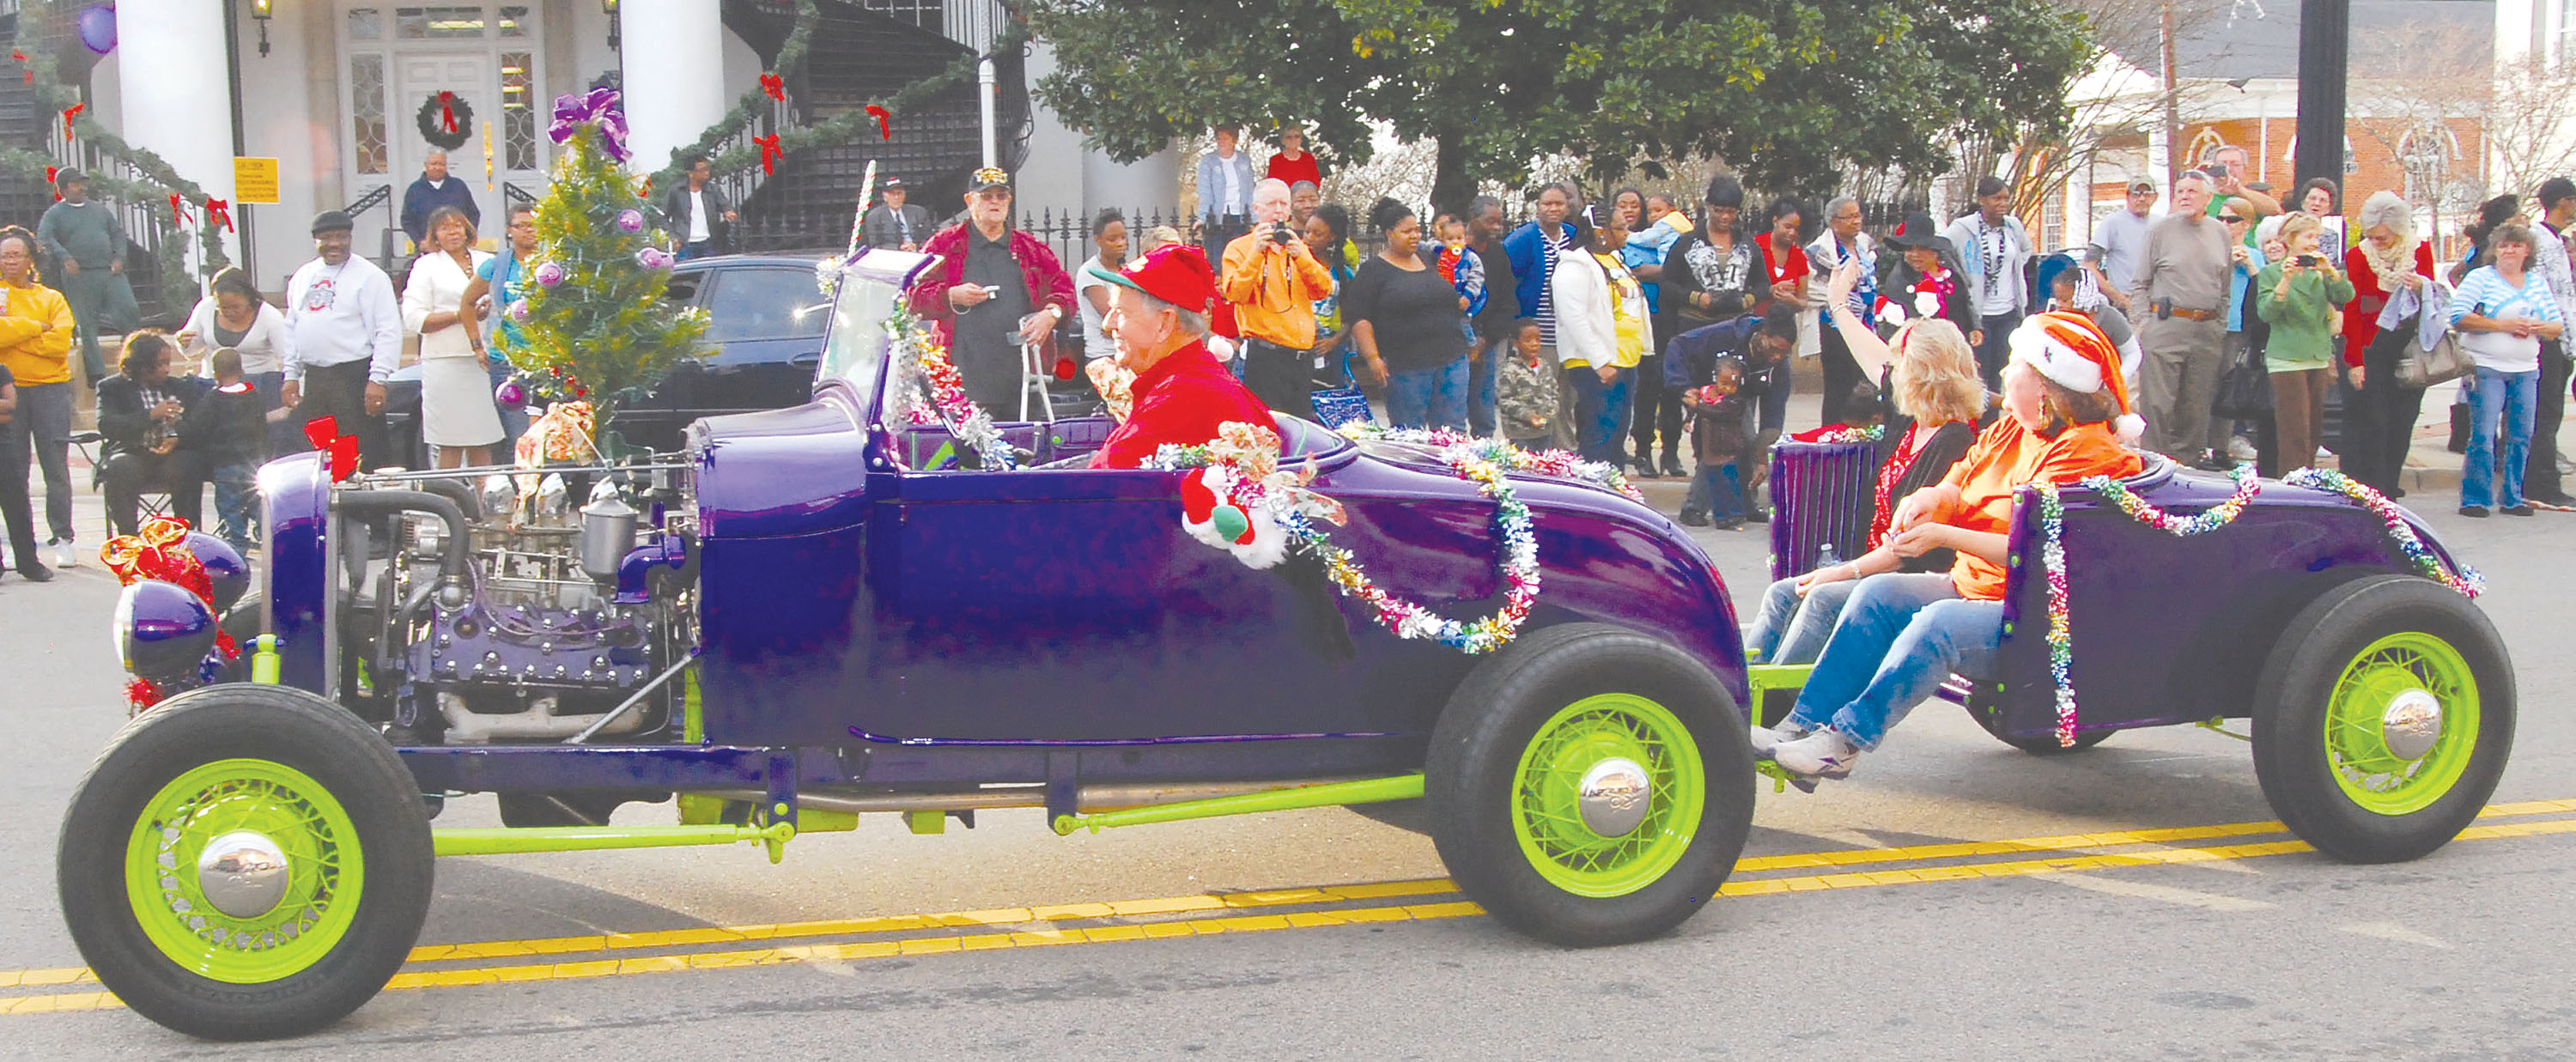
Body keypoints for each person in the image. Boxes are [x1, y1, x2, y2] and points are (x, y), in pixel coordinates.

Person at [1759, 313, 2144, 780]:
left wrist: (1945, 535)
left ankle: (1842, 743)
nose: (2002, 372)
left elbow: (2034, 549)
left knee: (1938, 624)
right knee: (1877, 594)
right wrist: (1933, 496)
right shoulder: (2012, 428)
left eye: (2014, 365)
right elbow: (1962, 475)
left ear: (2044, 386)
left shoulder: (2085, 450)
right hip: (1975, 584)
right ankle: (1798, 727)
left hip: (2033, 609)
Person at [1741, 292, 1986, 665]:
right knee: (1781, 593)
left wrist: (1844, 572)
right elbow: (1872, 359)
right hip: (1874, 562)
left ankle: (1779, 696)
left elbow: (1910, 550)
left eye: (1900, 363)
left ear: (1920, 374)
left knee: (1821, 595)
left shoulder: (1954, 439)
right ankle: (1745, 684)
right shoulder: (1909, 424)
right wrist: (1839, 304)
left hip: (1906, 571)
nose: (1892, 372)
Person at [1084, 243, 1276, 469]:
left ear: (1165, 323)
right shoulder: (1182, 381)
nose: (1108, 324)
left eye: (1121, 312)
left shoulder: (1185, 397)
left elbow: (1100, 478)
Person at [908, 168, 1078, 416]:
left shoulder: (1031, 248)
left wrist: (1050, 314)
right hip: (960, 377)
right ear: (969, 201)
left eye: (1001, 196)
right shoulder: (943, 245)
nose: (995, 202)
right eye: (986, 196)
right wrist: (950, 295)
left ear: (1009, 200)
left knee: (1024, 440)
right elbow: (912, 295)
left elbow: (1064, 290)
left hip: (1022, 379)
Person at [2450, 223, 2566, 518]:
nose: (2510, 251)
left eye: (2516, 245)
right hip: (2487, 367)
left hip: (2526, 369)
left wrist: (2537, 327)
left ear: (2527, 251)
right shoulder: (2480, 278)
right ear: (2495, 250)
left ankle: (2513, 497)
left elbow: (2556, 326)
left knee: (2521, 435)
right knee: (2483, 434)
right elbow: (2459, 316)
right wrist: (2503, 325)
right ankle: (2475, 498)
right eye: (2504, 245)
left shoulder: (2537, 283)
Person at [2337, 191, 2438, 498]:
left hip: (2405, 344)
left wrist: (2421, 285)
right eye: (2371, 236)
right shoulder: (2358, 256)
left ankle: (2389, 486)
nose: (2376, 243)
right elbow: (2352, 309)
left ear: (2399, 231)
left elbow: (2432, 296)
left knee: (2402, 419)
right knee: (2371, 419)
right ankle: (2364, 486)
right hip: (2368, 343)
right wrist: (2355, 361)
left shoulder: (2419, 251)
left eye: (2382, 238)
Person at [283, 210, 402, 470]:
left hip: (354, 378)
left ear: (350, 238)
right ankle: (328, 495)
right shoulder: (303, 276)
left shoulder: (370, 276)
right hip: (316, 380)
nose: (334, 244)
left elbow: (388, 331)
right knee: (320, 452)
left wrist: (378, 379)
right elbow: (292, 327)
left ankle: (356, 497)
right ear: (316, 241)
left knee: (356, 453)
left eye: (341, 237)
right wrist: (291, 374)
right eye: (327, 238)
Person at [2130, 169, 2233, 465]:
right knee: (2158, 403)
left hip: (2207, 329)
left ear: (2208, 198)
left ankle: (2189, 464)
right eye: (2181, 191)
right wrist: (2144, 324)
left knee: (2196, 404)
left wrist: (2219, 324)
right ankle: (2154, 464)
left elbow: (2224, 287)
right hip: (2166, 325)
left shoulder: (2220, 232)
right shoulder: (2160, 231)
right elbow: (2139, 283)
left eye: (2192, 191)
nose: (2185, 197)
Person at [1665, 304, 1801, 525]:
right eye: (1774, 349)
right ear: (1763, 335)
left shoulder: (1780, 366)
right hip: (1713, 394)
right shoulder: (1725, 334)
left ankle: (1747, 505)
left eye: (1784, 353)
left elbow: (1773, 415)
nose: (1777, 356)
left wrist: (1762, 459)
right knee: (1720, 449)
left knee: (1749, 443)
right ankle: (1694, 507)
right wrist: (1683, 386)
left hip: (1742, 397)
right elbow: (1678, 345)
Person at [1348, 199, 1473, 430]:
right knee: (1410, 433)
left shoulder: (1429, 258)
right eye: (1407, 231)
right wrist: (1373, 358)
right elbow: (1359, 318)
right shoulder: (1373, 270)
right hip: (1407, 367)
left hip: (1451, 359)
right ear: (1389, 234)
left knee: (1452, 431)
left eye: (1417, 230)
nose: (1415, 236)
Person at [1218, 179, 1334, 421]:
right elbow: (1235, 293)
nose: (1279, 210)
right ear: (1257, 209)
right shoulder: (1239, 248)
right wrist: (1256, 254)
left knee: (1303, 428)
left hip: (1302, 358)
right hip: (1266, 358)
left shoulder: (1299, 247)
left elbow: (1323, 290)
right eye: (1272, 204)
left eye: (1284, 204)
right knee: (1268, 427)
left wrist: (1302, 258)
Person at [2254, 213, 2354, 477]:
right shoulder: (2271, 273)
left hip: (2317, 355)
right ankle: (2291, 481)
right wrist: (2285, 280)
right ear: (2290, 239)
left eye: (2317, 237)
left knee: (2313, 430)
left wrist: (2330, 271)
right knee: (2294, 430)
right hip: (2287, 358)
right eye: (2308, 237)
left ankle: (2307, 478)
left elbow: (2347, 295)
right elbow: (2266, 313)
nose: (2314, 243)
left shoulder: (2320, 273)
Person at [0, 225, 76, 569]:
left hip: (50, 388)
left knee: (55, 466)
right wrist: (34, 328)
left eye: (16, 255)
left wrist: (16, 336)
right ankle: (18, 544)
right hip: (10, 392)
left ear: (31, 259)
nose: (10, 262)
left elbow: (59, 344)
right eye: (4, 256)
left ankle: (62, 537)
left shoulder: (51, 298)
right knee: (12, 472)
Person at [404, 207, 501, 469]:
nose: (453, 232)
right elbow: (414, 318)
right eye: (444, 228)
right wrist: (461, 315)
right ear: (434, 235)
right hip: (445, 362)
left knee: (482, 439)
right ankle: (446, 493)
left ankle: (486, 494)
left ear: (467, 229)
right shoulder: (426, 266)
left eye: (457, 226)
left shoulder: (487, 261)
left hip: (485, 360)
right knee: (451, 441)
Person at [1554, 206, 1649, 464]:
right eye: (1620, 228)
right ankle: (1594, 485)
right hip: (1595, 365)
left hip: (1626, 361)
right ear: (1600, 233)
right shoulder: (1574, 266)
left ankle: (1615, 485)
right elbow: (1575, 318)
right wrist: (1600, 363)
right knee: (1599, 435)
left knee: (1618, 435)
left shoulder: (1617, 261)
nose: (1627, 233)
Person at [96, 331, 208, 537]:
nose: (167, 369)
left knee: (189, 463)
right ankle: (128, 537)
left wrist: (177, 434)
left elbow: (198, 426)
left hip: (171, 455)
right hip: (133, 452)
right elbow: (107, 424)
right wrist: (151, 415)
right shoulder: (111, 388)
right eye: (160, 364)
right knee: (119, 466)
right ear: (142, 365)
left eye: (168, 363)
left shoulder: (179, 387)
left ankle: (186, 534)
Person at [174, 267, 295, 457]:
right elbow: (191, 350)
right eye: (223, 307)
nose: (229, 312)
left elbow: (289, 357)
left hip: (257, 386)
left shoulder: (270, 317)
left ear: (249, 299)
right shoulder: (205, 308)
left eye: (236, 307)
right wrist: (183, 342)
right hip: (213, 384)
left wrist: (294, 386)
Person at [1504, 183, 1585, 446]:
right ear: (1537, 207)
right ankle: (1532, 454)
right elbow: (1506, 282)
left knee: (1565, 399)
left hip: (1569, 334)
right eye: (1547, 203)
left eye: (1558, 203)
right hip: (1538, 335)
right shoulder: (1523, 239)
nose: (1553, 209)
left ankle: (1563, 453)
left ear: (1567, 207)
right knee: (1535, 396)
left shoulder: (1574, 237)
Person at [36, 167, 129, 384]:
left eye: (83, 183)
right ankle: (96, 373)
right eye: (76, 184)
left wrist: (120, 257)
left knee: (129, 310)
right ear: (63, 189)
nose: (82, 188)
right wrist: (65, 257)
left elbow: (118, 234)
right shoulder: (55, 213)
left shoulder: (99, 210)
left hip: (109, 271)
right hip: (80, 275)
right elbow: (44, 237)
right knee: (86, 323)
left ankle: (134, 360)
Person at [1622, 191, 1690, 476]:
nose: (1630, 211)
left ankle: (1671, 452)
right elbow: (1634, 270)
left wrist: (1663, 271)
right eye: (1622, 205)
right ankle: (1643, 451)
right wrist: (1666, 270)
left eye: (1635, 205)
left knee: (1673, 386)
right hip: (1641, 319)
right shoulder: (1625, 241)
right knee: (1646, 388)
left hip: (1671, 317)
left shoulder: (1672, 233)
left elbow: (1681, 270)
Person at [460, 203, 538, 451]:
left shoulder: (553, 265)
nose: (528, 230)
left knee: (547, 435)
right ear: (509, 230)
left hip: (545, 360)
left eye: (533, 225)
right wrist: (477, 346)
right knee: (519, 437)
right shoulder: (497, 265)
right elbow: (467, 302)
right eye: (520, 225)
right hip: (505, 361)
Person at [1945, 176, 2035, 386]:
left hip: (2008, 312)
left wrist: (2014, 267)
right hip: (1979, 316)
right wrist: (1962, 277)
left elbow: (2026, 249)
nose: (2003, 204)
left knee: (2002, 373)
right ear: (1982, 199)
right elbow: (1943, 250)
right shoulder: (1963, 228)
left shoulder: (2013, 226)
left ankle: (1996, 409)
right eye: (1996, 198)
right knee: (1979, 375)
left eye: (2006, 198)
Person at [2521, 177, 2576, 507]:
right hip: (2547, 338)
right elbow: (2542, 292)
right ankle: (2540, 481)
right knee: (2545, 411)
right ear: (2563, 202)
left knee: (2551, 412)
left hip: (2562, 338)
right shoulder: (2538, 240)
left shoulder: (2557, 241)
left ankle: (2541, 477)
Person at [1806, 196, 1877, 426]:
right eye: (1850, 217)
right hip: (1835, 327)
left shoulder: (1865, 244)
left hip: (1866, 325)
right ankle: (1833, 430)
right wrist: (1842, 296)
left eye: (1858, 216)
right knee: (1839, 385)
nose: (1857, 221)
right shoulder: (1820, 251)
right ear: (1834, 221)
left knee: (1864, 383)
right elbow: (1812, 289)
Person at [186, 347, 266, 550]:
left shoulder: (213, 399)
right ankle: (265, 534)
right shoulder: (253, 395)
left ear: (215, 374)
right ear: (241, 370)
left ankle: (236, 543)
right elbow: (262, 426)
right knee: (257, 501)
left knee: (230, 505)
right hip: (252, 462)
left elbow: (198, 427)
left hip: (225, 463)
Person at [1881, 211, 1981, 353]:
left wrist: (1974, 327)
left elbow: (1965, 302)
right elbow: (1907, 328)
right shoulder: (1899, 280)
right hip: (1924, 352)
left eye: (1922, 248)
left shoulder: (1949, 271)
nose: (1915, 254)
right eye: (1909, 248)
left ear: (1934, 251)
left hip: (1958, 347)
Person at [1465, 196, 1519, 439]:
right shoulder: (1455, 252)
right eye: (1490, 221)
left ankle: (1484, 448)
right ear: (1473, 219)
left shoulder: (1498, 253)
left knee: (1484, 410)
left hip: (1486, 340)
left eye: (1500, 222)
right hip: (1454, 340)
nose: (1496, 227)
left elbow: (1508, 300)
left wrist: (1487, 337)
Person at [1680, 355, 1753, 528]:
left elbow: (1718, 412)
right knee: (1715, 485)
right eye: (1724, 383)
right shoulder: (1705, 394)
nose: (1728, 388)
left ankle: (1734, 513)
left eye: (1733, 385)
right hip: (1709, 450)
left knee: (1730, 484)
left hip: (1728, 450)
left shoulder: (1735, 402)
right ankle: (1721, 517)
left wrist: (1697, 406)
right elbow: (1695, 411)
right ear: (1715, 379)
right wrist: (1688, 420)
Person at [1302, 203, 1358, 386]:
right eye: (1307, 232)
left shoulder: (1343, 274)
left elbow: (1352, 316)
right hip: (1296, 345)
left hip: (1327, 349)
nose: (1309, 238)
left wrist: (1333, 342)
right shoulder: (1293, 266)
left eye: (1317, 234)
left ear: (1332, 237)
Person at [0, 357, 46, 581]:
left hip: (3, 447)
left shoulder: (1, 370)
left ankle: (29, 563)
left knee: (17, 505)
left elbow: (10, 406)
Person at [2087, 176, 2159, 313]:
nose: (2141, 199)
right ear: (2127, 196)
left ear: (2155, 197)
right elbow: (2089, 265)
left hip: (2154, 305)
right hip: (2125, 305)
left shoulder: (2160, 224)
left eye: (2147, 194)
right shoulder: (2112, 223)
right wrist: (2119, 298)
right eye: (2136, 194)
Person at [1074, 208, 1130, 365]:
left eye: (1123, 237)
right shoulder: (1090, 271)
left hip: (1129, 353)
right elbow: (1111, 316)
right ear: (1098, 240)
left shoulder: (1127, 269)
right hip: (1103, 356)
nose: (1120, 243)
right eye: (1112, 239)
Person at [398, 150, 479, 252]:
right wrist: (419, 241)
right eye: (433, 164)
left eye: (441, 164)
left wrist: (468, 236)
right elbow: (407, 220)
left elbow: (474, 214)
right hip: (429, 249)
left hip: (458, 248)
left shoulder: (459, 186)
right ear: (426, 165)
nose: (437, 168)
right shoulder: (414, 190)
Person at [1197, 125, 1256, 260]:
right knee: (1218, 258)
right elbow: (1205, 191)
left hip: (1240, 216)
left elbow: (1250, 190)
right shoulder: (1208, 161)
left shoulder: (1244, 160)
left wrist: (1254, 218)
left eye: (1225, 138)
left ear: (1234, 140)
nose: (1221, 142)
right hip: (1217, 217)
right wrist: (1203, 217)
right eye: (1219, 138)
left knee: (1239, 256)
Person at [1497, 320, 1558, 450]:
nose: (1534, 344)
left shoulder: (1545, 366)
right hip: (1520, 434)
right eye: (1528, 340)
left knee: (1544, 461)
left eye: (1538, 339)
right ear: (1516, 343)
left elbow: (1554, 393)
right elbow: (1505, 400)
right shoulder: (1510, 369)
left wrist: (1549, 415)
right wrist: (1529, 416)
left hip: (1545, 431)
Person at [664, 155, 737, 261]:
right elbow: (662, 216)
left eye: (707, 169)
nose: (706, 173)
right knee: (687, 271)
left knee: (710, 269)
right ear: (690, 173)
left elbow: (724, 204)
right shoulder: (677, 191)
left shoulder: (713, 189)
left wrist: (728, 211)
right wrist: (673, 237)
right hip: (685, 244)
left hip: (709, 243)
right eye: (702, 170)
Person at [2201, 145, 2281, 219]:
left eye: (2235, 164)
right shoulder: (2204, 196)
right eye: (2222, 165)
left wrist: (2239, 191)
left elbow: (2275, 210)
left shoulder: (2251, 197)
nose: (2228, 169)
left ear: (2245, 169)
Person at [862, 178, 935, 252]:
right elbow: (874, 245)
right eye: (892, 194)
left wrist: (916, 246)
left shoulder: (919, 212)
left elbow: (930, 238)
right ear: (885, 196)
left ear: (904, 195)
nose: (896, 197)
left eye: (899, 193)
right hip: (890, 255)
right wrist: (898, 248)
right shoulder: (874, 216)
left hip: (917, 252)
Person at [1265, 124, 1321, 189]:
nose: (1293, 139)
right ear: (1283, 141)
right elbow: (1273, 184)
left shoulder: (1308, 159)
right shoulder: (1276, 160)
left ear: (1301, 140)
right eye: (1289, 137)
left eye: (1297, 136)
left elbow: (1316, 183)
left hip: (1305, 194)